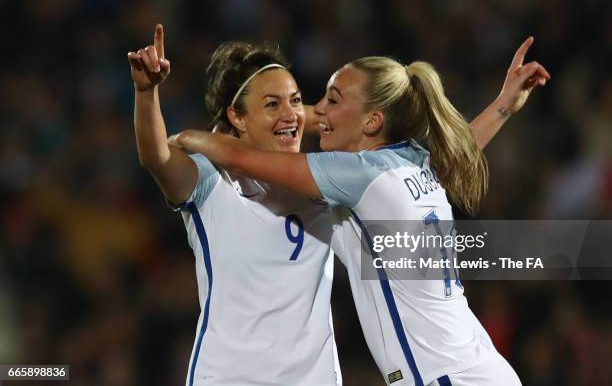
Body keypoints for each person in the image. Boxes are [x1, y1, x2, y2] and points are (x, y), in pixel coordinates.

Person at [168, 38, 549, 385]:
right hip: (477, 365)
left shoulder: (356, 175)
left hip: (444, 376)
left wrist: (185, 138)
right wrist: (503, 106)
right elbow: (459, 155)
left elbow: (239, 157)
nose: (319, 113)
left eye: (332, 101)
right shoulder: (411, 163)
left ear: (372, 120)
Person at [128, 25, 342, 386]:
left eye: (294, 99)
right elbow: (156, 156)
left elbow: (339, 120)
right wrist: (146, 92)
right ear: (237, 117)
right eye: (271, 104)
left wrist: (286, 114)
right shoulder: (213, 182)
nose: (289, 113)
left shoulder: (322, 179)